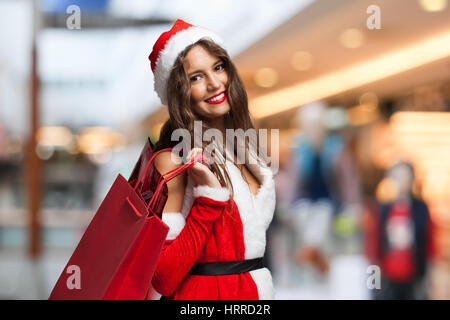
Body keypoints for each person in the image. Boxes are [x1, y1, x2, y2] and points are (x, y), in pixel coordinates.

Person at [147, 19, 276, 300]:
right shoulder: (173, 160)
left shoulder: (245, 151)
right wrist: (208, 198)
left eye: (218, 67)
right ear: (179, 92)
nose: (214, 83)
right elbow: (162, 279)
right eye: (196, 77)